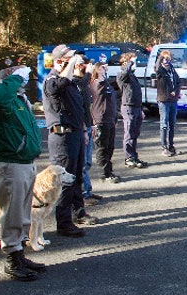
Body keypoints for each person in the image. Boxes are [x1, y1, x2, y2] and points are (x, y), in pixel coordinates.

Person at [0, 53, 46, 281]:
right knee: (11, 213)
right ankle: (12, 258)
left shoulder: (19, 98)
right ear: (10, 74)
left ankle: (20, 253)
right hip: (10, 163)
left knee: (21, 212)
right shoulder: (0, 94)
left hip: (24, 162)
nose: (25, 76)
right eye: (20, 71)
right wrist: (12, 80)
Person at [43, 44, 97, 238]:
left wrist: (83, 129)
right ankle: (64, 223)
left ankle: (78, 212)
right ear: (59, 62)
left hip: (74, 134)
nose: (75, 64)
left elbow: (78, 107)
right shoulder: (52, 81)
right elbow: (58, 85)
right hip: (61, 138)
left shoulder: (70, 82)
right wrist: (68, 66)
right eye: (69, 60)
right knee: (65, 180)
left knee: (76, 177)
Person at [73, 55, 101, 206]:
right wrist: (89, 74)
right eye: (85, 65)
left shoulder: (85, 83)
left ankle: (88, 190)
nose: (88, 67)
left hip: (88, 125)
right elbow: (79, 90)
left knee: (88, 161)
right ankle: (84, 193)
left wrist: (93, 124)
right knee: (82, 163)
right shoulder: (75, 82)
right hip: (81, 127)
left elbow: (88, 106)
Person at [89, 62, 121, 183]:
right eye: (102, 68)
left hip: (110, 119)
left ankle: (109, 171)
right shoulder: (95, 83)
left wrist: (115, 118)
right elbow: (98, 90)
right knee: (102, 147)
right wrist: (100, 75)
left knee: (110, 147)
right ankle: (105, 173)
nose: (104, 69)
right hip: (100, 120)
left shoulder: (106, 84)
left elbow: (112, 102)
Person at [117, 52, 148, 168]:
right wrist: (129, 63)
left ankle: (134, 156)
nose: (135, 64)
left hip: (136, 107)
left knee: (134, 133)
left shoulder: (132, 75)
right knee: (129, 134)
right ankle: (128, 157)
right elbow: (123, 74)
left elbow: (137, 94)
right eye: (133, 62)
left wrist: (141, 109)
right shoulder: (122, 74)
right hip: (128, 107)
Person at [155, 50, 181, 156]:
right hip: (164, 100)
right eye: (165, 59)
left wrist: (176, 91)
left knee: (172, 124)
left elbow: (178, 82)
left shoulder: (172, 70)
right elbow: (157, 67)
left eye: (168, 59)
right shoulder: (160, 71)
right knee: (164, 125)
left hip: (173, 101)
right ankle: (164, 147)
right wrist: (161, 57)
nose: (167, 61)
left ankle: (171, 146)